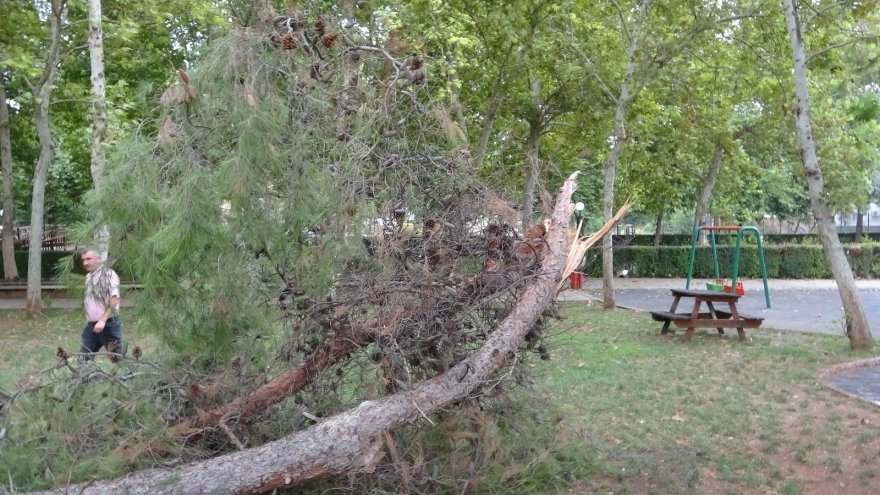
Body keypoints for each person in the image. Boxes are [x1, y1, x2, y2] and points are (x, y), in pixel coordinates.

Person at [80, 247, 124, 361]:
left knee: (117, 358)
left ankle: (126, 376)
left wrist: (103, 320)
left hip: (108, 325)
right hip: (92, 326)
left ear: (98, 259)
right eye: (83, 260)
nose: (85, 263)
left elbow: (114, 299)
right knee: (84, 358)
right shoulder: (89, 277)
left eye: (89, 259)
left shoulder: (109, 274)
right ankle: (85, 377)